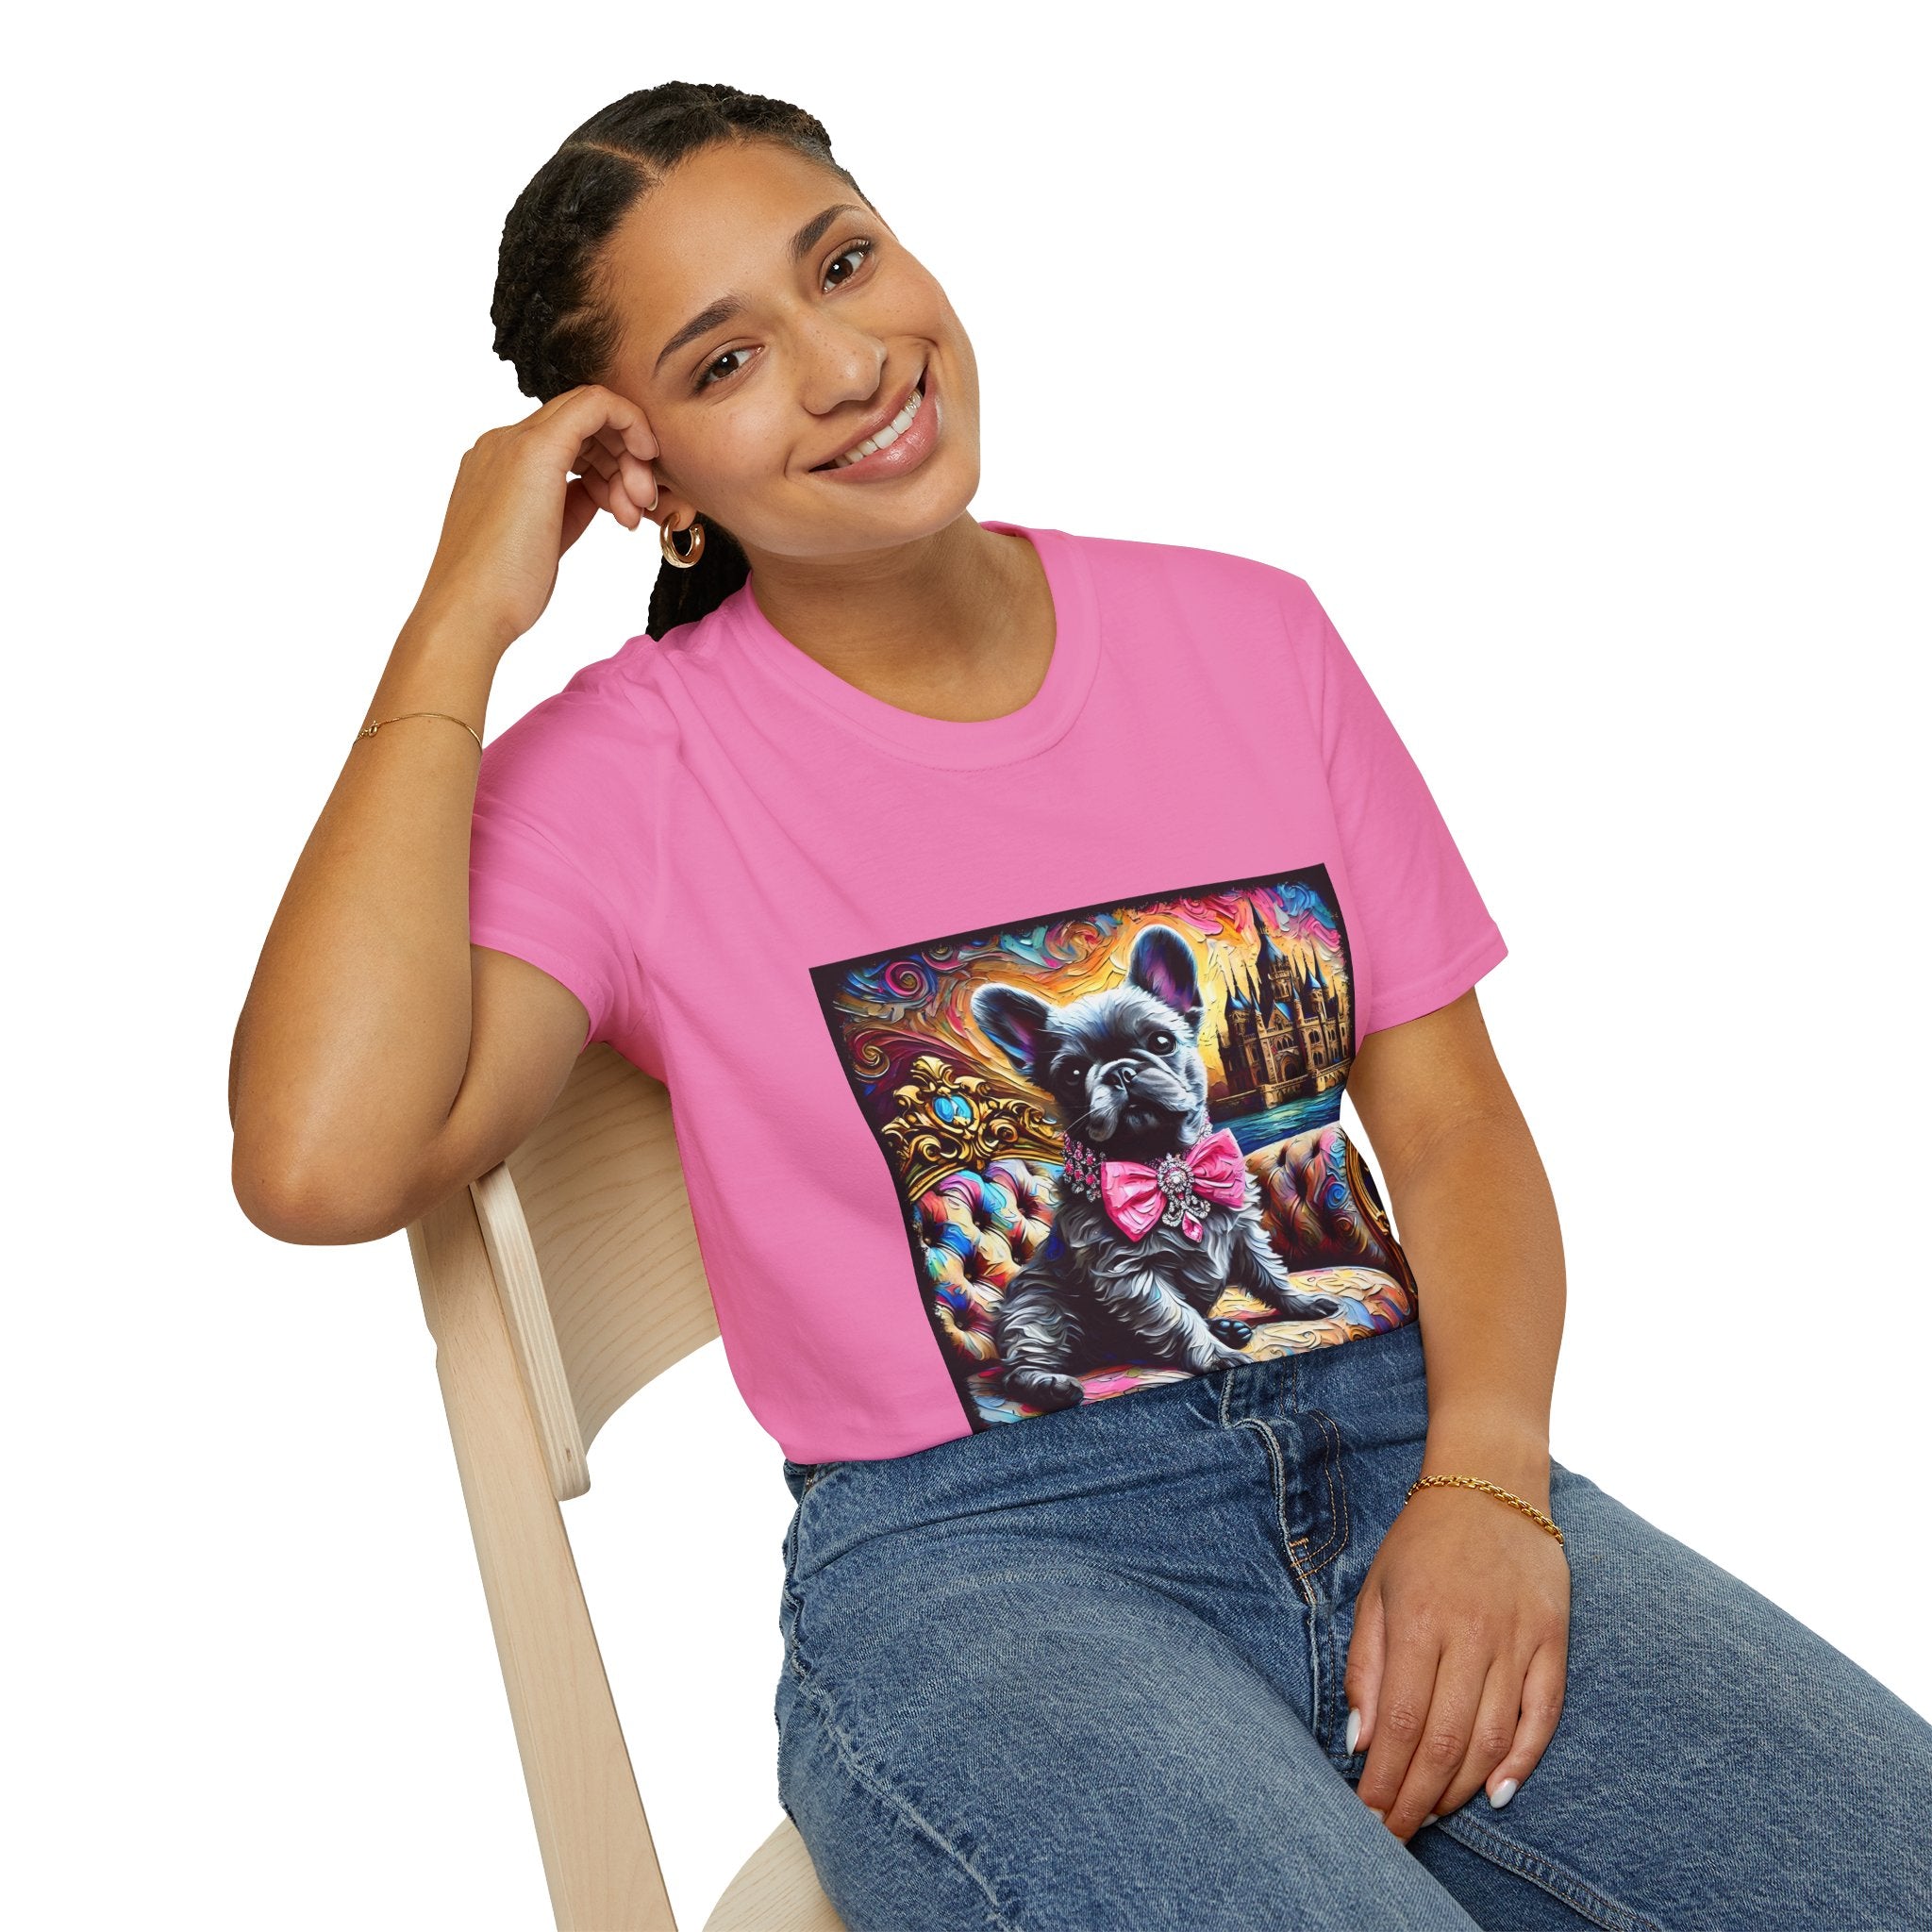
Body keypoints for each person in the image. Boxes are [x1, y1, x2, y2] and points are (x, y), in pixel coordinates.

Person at [228, 80, 1932, 1932]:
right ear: (647, 479)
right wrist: (456, 619)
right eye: (725, 362)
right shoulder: (629, 773)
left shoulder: (1250, 637)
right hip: (988, 1568)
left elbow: (1446, 1126)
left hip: (1402, 1447)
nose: (845, 362)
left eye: (845, 263)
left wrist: (1490, 1486)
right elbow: (321, 1158)